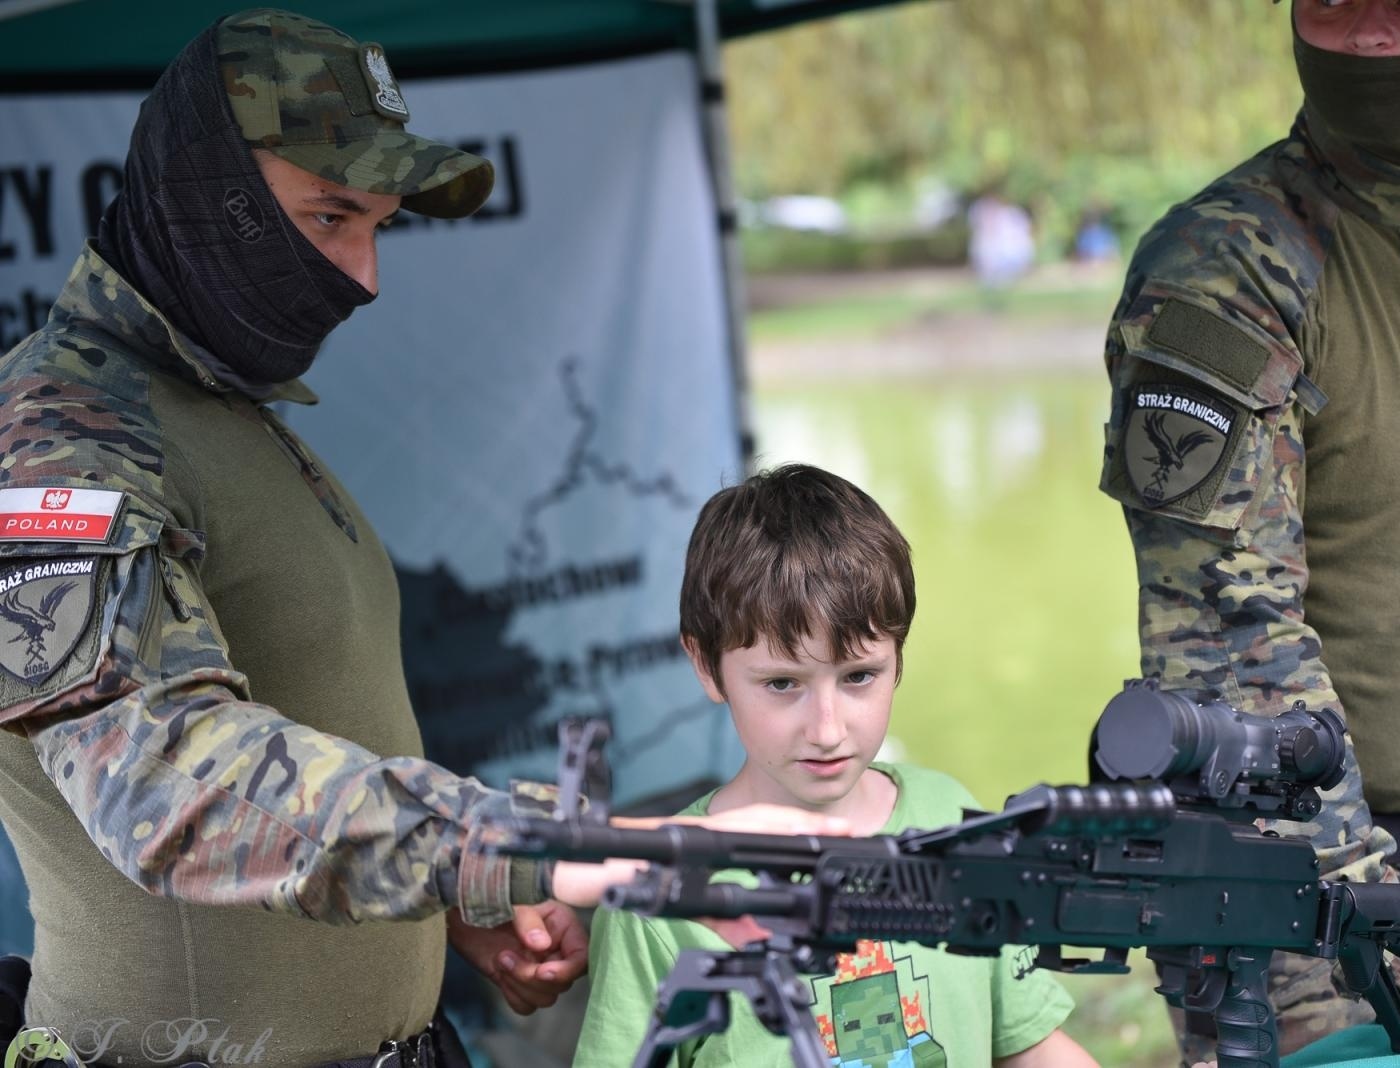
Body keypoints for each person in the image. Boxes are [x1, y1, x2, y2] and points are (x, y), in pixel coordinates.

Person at [0, 10, 838, 1067]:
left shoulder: (225, 414)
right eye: (329, 215)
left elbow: (314, 737)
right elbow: (158, 778)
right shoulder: (59, 437)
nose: (363, 275)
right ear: (204, 193)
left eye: (379, 226)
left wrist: (439, 905)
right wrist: (530, 851)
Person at [1098, 0, 1400, 1060]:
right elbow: (1226, 637)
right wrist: (1380, 937)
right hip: (1297, 927)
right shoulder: (1221, 266)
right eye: (1335, 0)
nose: (1370, 33)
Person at [573, 463, 1097, 1067]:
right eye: (781, 683)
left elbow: (1027, 1047)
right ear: (705, 664)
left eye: (859, 677)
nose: (827, 730)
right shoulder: (659, 894)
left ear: (900, 652)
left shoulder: (953, 821)